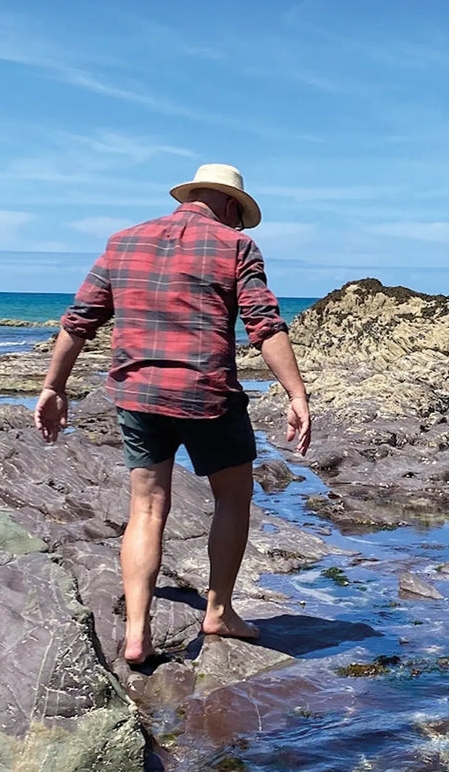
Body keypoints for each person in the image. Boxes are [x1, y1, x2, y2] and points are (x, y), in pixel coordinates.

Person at [34, 163, 311, 666]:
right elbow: (264, 326)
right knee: (232, 497)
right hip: (208, 394)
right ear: (229, 206)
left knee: (146, 509)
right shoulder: (235, 247)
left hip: (138, 395)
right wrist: (296, 394)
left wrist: (54, 386)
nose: (240, 227)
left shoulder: (123, 242)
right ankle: (219, 611)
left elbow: (78, 322)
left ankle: (137, 635)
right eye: (240, 219)